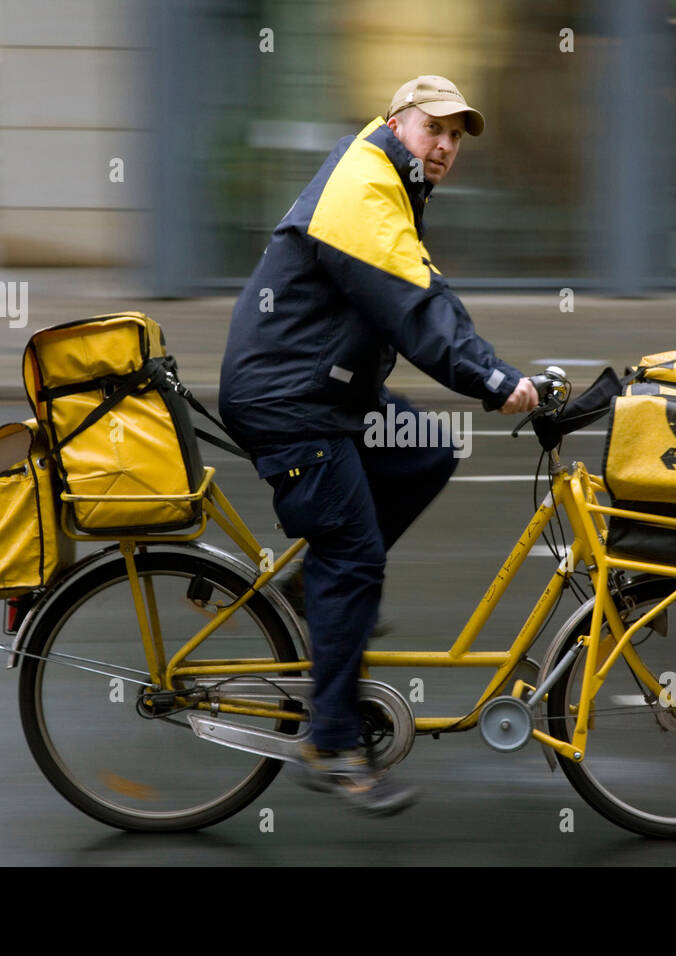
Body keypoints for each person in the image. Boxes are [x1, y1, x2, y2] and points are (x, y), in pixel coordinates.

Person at [218, 75, 538, 816]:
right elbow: (415, 308)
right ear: (399, 123)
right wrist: (493, 378)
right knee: (355, 554)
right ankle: (330, 743)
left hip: (327, 389)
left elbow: (421, 286)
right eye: (437, 130)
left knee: (426, 450)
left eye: (457, 137)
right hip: (290, 400)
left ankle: (312, 587)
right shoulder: (364, 187)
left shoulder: (387, 179)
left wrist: (497, 367)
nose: (448, 147)